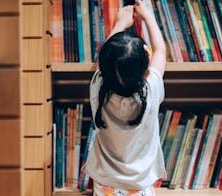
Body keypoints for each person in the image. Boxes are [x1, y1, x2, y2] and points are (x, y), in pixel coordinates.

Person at [85, 0, 167, 195]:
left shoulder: (98, 87)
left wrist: (120, 24)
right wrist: (148, 16)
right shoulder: (152, 88)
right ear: (146, 72)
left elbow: (105, 60)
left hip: (105, 182)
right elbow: (160, 51)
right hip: (140, 184)